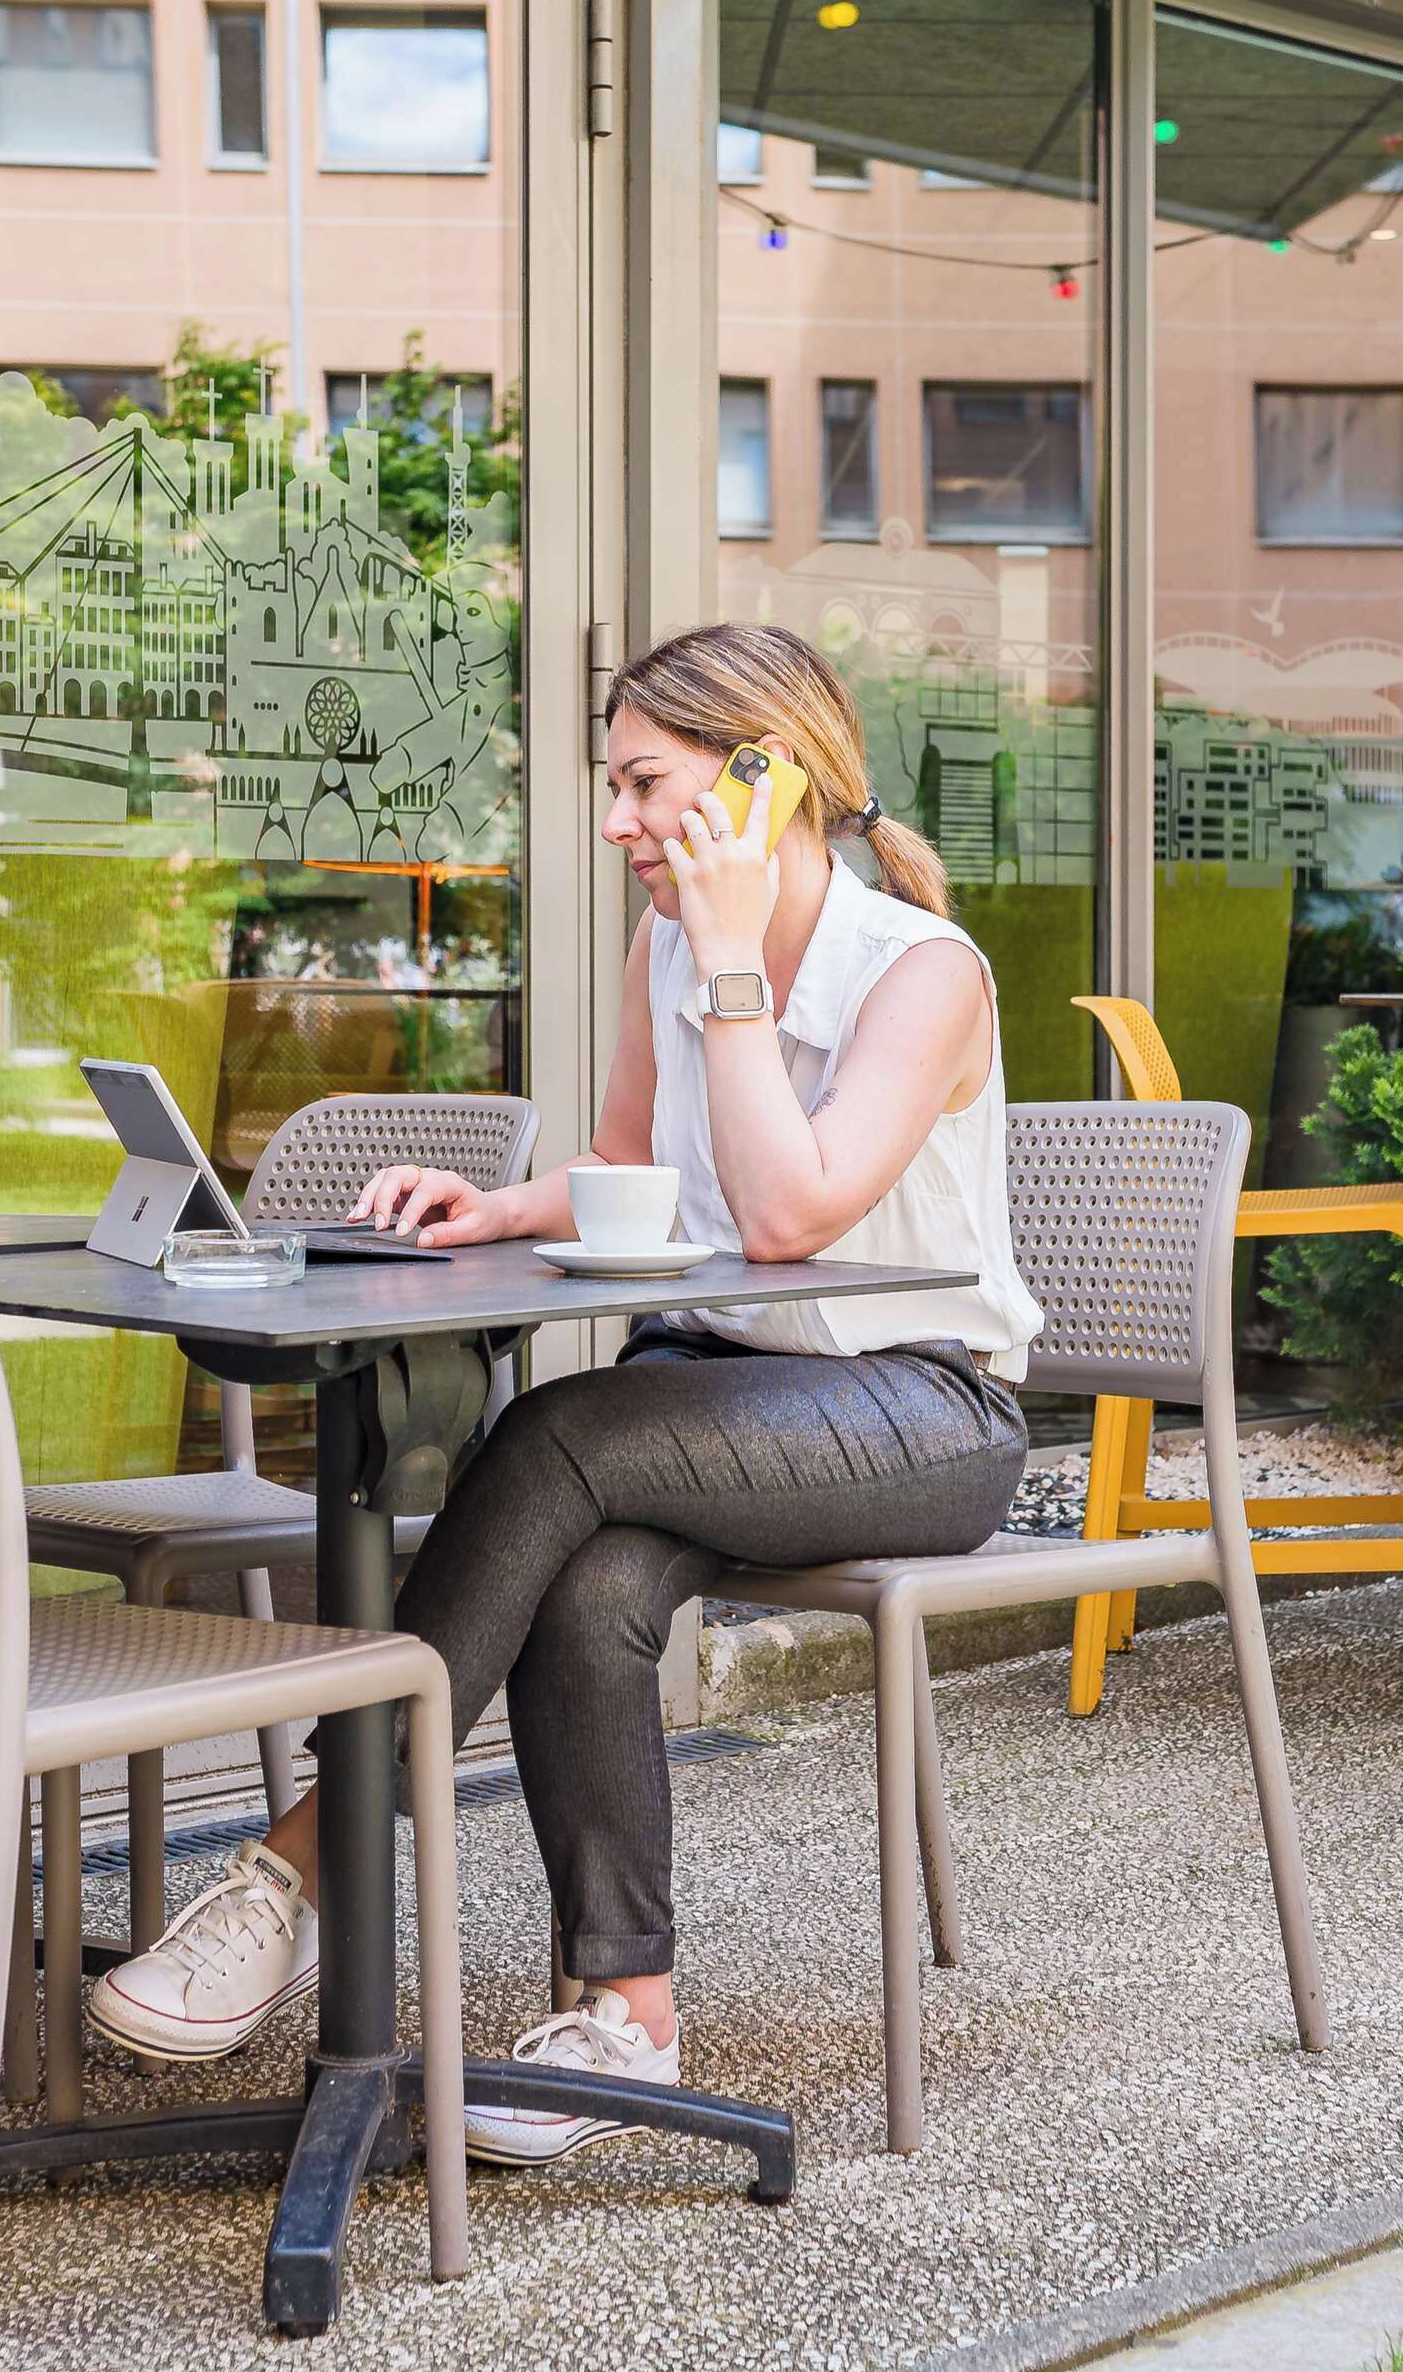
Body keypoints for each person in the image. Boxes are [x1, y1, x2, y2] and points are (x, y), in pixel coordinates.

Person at [84, 621, 1043, 2166]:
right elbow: (635, 1168)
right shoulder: (661, 946)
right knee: (588, 1572)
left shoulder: (918, 973)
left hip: (918, 1411)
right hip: (717, 1400)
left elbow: (790, 1215)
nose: (612, 828)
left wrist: (730, 969)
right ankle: (629, 2016)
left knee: (555, 1431)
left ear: (761, 778)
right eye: (609, 786)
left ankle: (297, 1870)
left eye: (642, 787)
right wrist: (498, 1202)